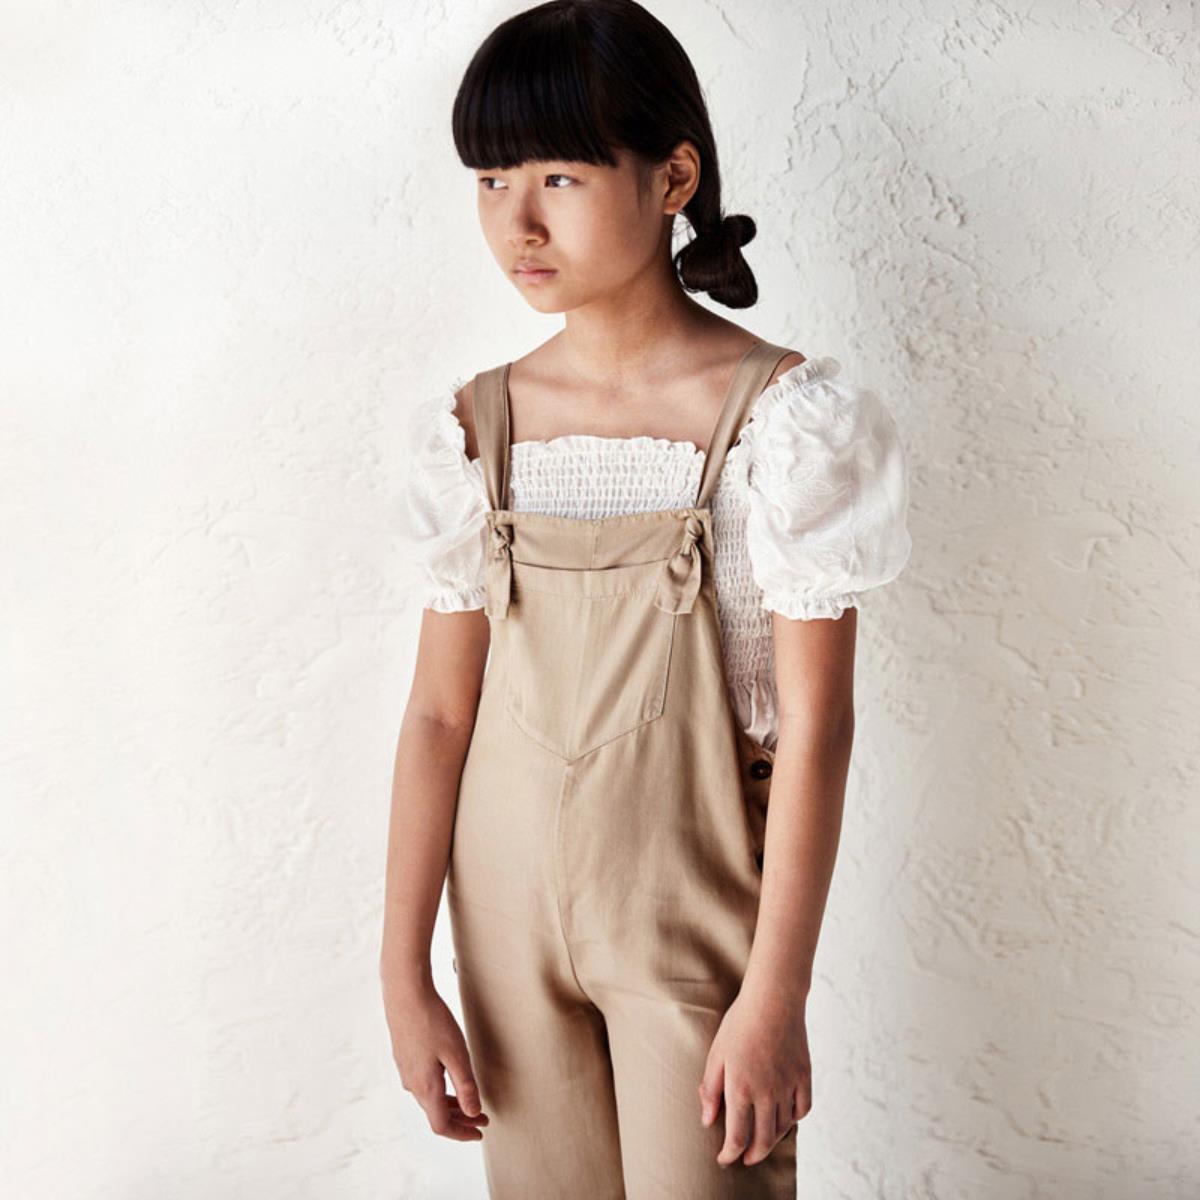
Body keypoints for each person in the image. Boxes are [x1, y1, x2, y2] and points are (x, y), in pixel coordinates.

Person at [379, 2, 912, 1196]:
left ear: (673, 178)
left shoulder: (786, 425)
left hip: (694, 919)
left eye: (560, 177)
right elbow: (438, 718)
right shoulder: (473, 430)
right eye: (491, 179)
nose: (517, 221)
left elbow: (817, 729)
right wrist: (404, 974)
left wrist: (776, 993)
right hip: (503, 929)